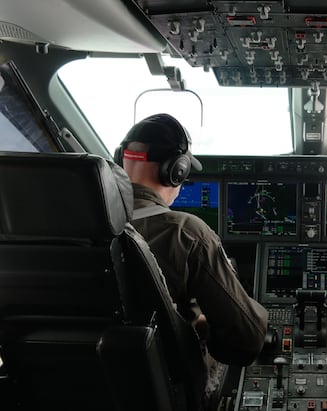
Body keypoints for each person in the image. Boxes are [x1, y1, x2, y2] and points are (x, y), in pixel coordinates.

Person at [115, 113, 268, 406]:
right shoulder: (186, 233)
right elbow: (246, 341)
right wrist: (204, 324)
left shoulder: (71, 225)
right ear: (176, 171)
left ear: (120, 159)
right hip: (163, 392)